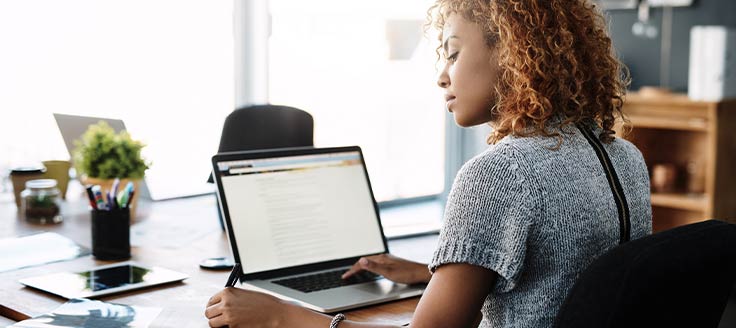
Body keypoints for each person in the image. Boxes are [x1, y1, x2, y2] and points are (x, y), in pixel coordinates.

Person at [204, 0, 652, 327]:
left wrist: (281, 316)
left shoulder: (503, 172)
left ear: (513, 53)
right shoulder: (623, 156)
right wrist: (432, 273)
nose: (442, 75)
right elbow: (565, 276)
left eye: (453, 53)